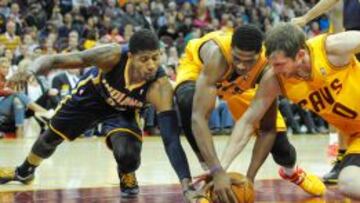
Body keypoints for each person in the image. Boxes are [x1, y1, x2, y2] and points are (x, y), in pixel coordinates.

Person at [0, 29, 193, 200]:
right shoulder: (111, 55)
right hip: (91, 97)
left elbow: (171, 140)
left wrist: (186, 185)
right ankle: (24, 171)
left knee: (128, 155)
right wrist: (31, 70)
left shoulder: (160, 86)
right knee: (48, 140)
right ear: (131, 56)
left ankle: (126, 173)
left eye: (156, 58)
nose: (151, 65)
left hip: (124, 111)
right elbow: (54, 60)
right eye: (144, 59)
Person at [174, 25, 325, 203]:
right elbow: (199, 119)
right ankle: (208, 174)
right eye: (237, 58)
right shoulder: (218, 56)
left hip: (240, 86)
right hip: (200, 71)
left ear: (260, 54)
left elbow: (267, 129)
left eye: (248, 61)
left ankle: (292, 172)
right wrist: (217, 171)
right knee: (188, 103)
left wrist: (249, 180)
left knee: (280, 144)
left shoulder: (268, 67)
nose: (241, 65)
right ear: (231, 50)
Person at [222, 23, 360, 199]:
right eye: (272, 64)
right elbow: (248, 121)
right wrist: (220, 168)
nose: (275, 70)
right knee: (348, 183)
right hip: (357, 135)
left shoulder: (331, 48)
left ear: (300, 55)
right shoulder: (275, 79)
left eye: (280, 64)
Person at [292, 0, 360, 184]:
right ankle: (343, 158)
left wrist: (306, 18)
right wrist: (305, 18)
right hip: (352, 36)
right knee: (341, 102)